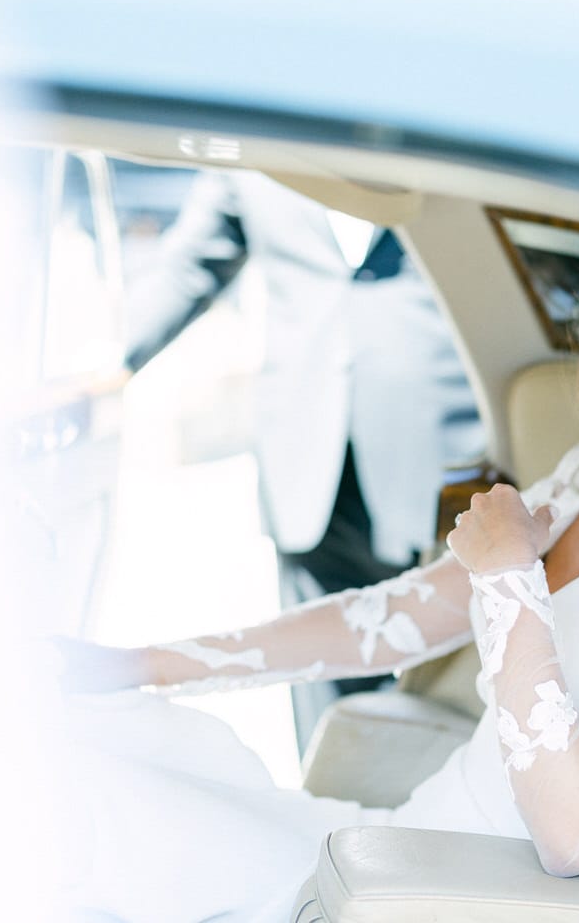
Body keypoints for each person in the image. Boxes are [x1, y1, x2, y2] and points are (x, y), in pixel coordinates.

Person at [55, 218, 579, 923]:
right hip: (390, 844)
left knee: (81, 817)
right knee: (78, 746)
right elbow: (384, 623)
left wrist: (511, 575)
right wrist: (142, 663)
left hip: (444, 893)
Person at [121, 168, 485, 741]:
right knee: (318, 687)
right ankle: (329, 803)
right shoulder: (253, 147)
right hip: (303, 451)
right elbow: (190, 264)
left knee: (443, 678)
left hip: (442, 451)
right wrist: (104, 369)